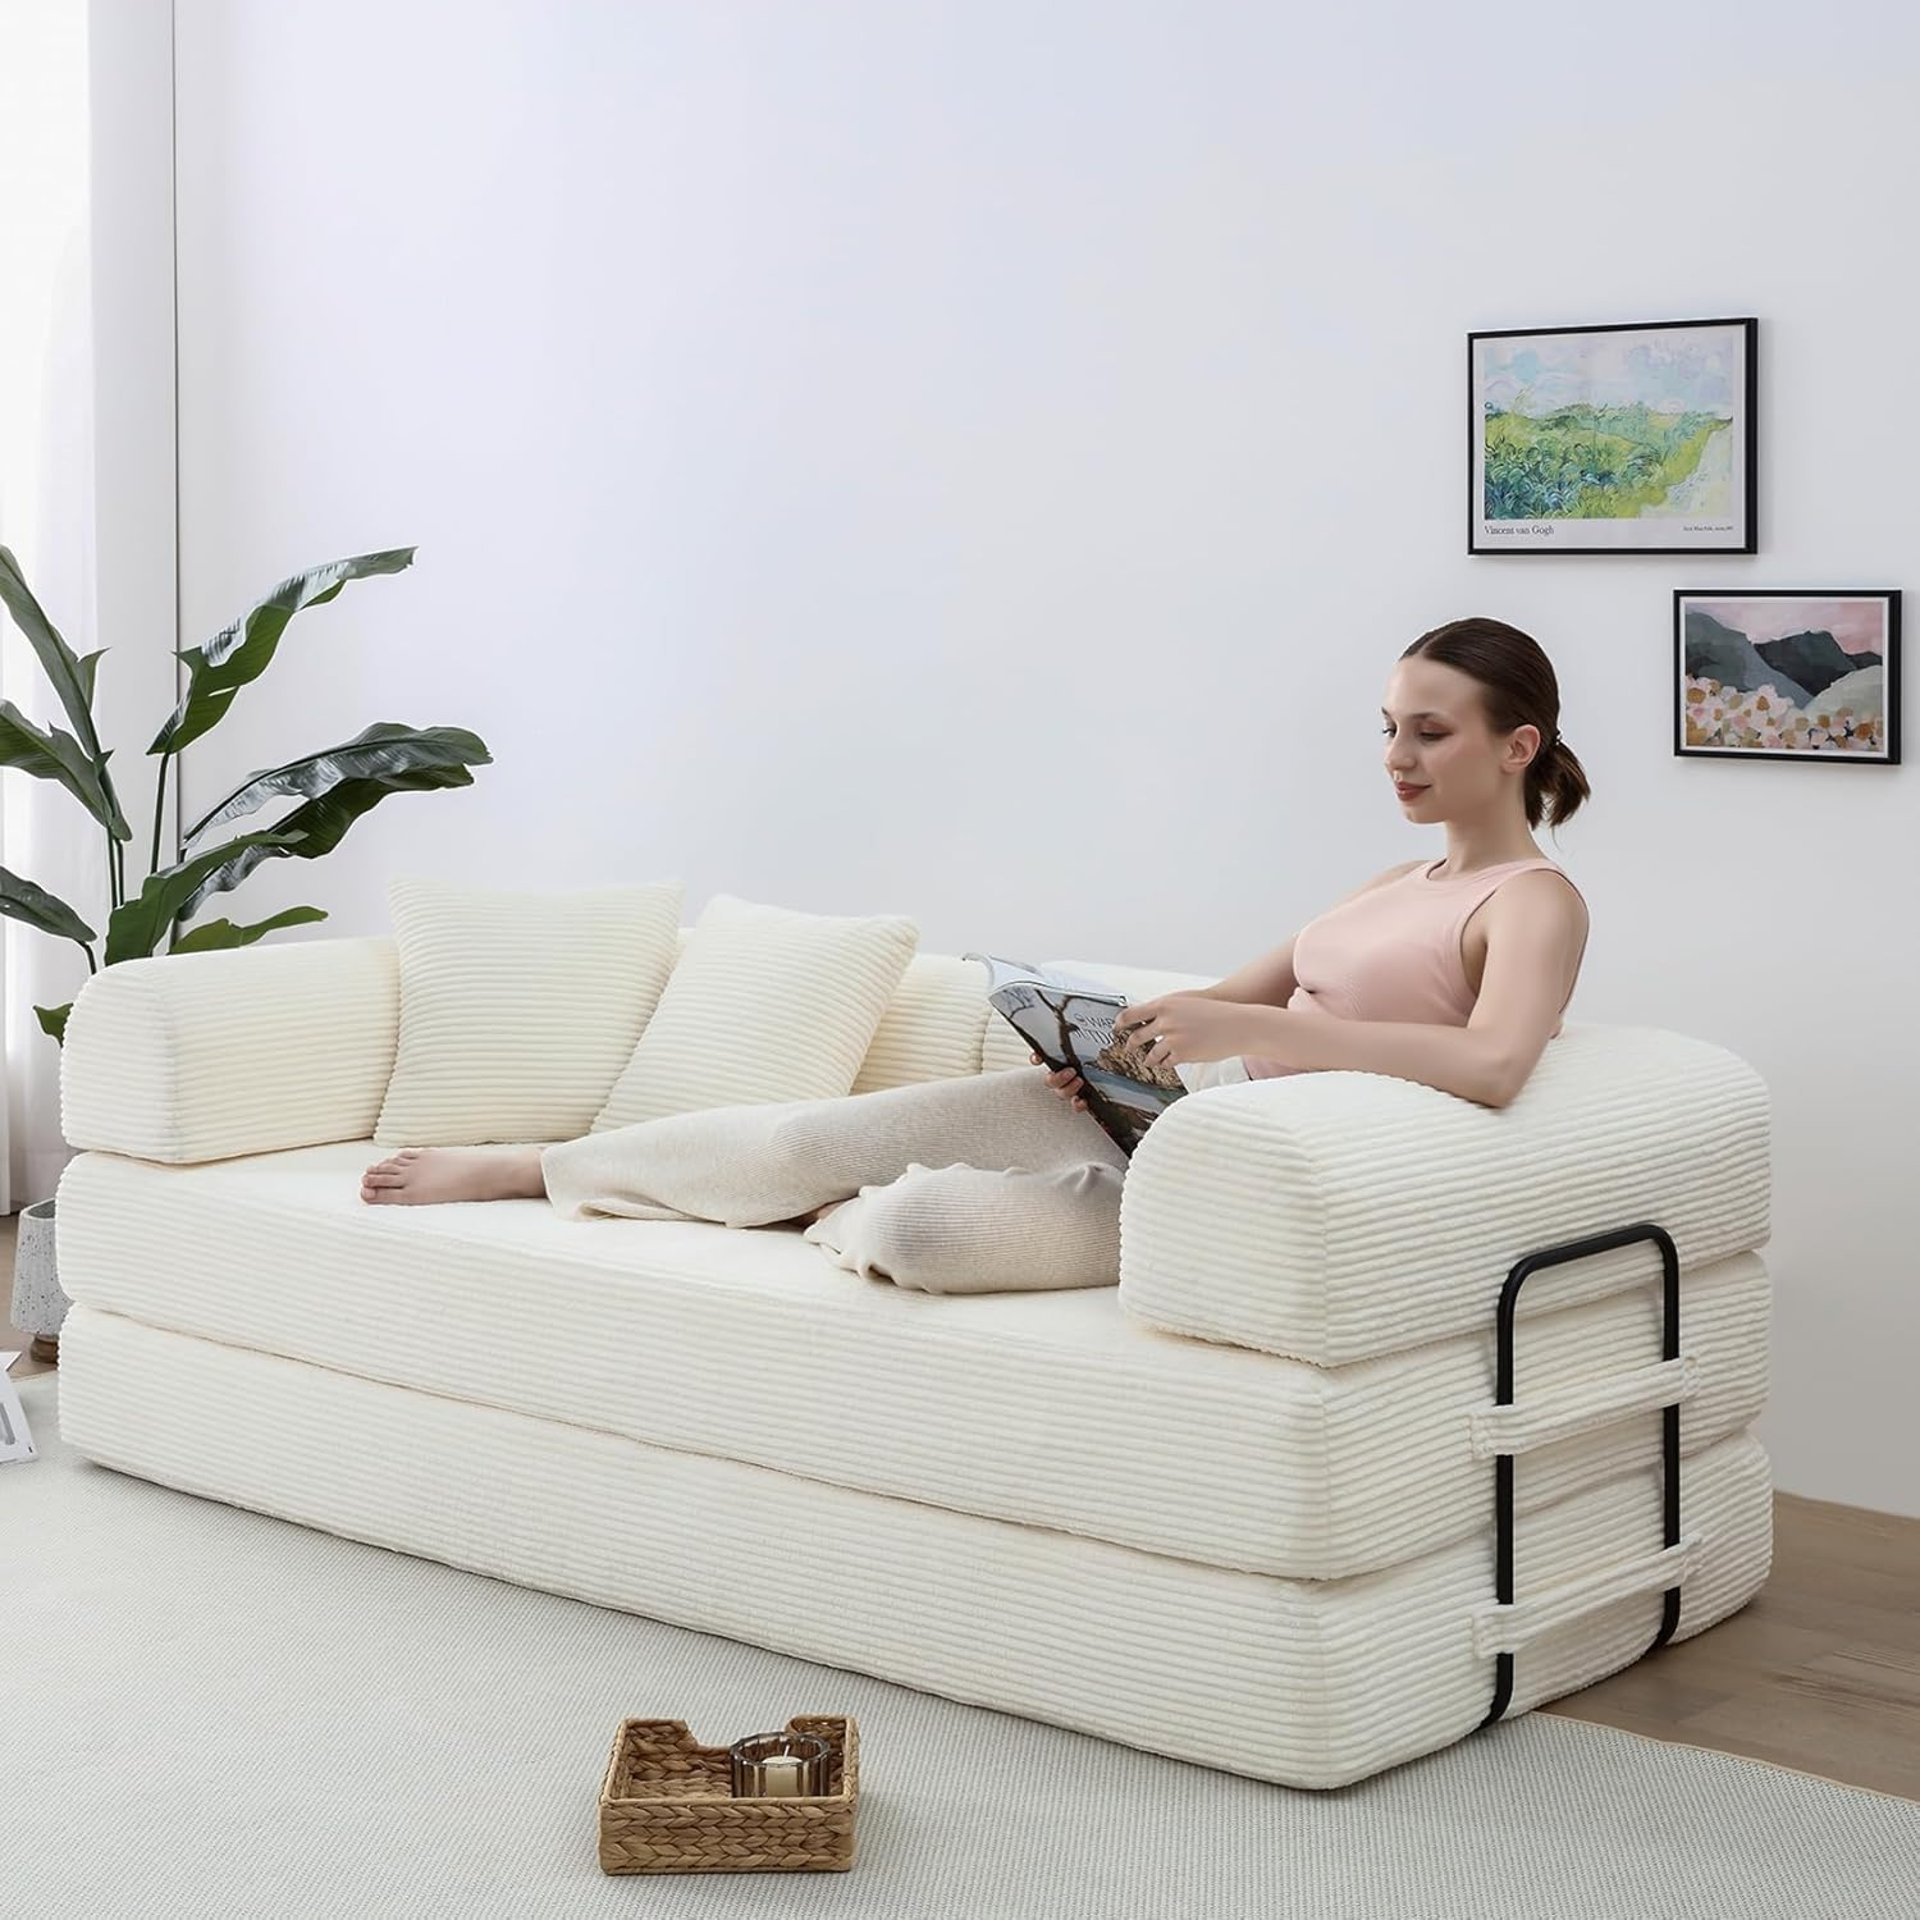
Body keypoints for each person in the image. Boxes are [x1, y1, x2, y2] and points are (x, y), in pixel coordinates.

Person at [360, 616, 1590, 1295]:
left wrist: (1259, 1036)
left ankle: (840, 1220)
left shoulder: (1534, 901)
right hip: (1152, 1115)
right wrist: (1116, 1040)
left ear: (1517, 746)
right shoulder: (1398, 880)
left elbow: (1489, 1067)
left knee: (921, 1236)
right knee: (803, 1135)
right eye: (1387, 729)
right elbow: (1230, 1001)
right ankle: (538, 1166)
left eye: (1430, 734)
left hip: (1224, 1184)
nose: (1396, 757)